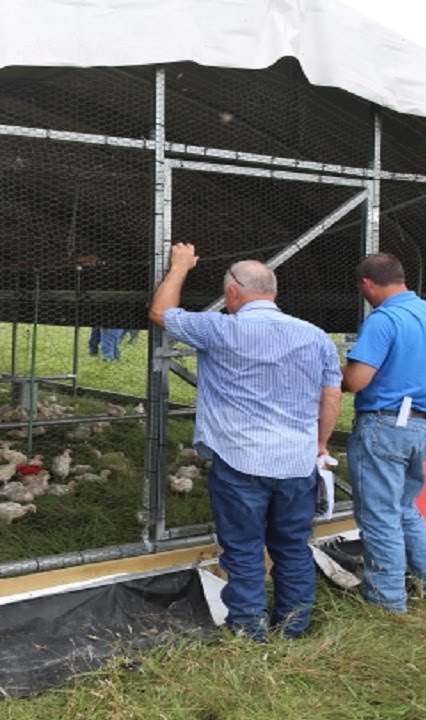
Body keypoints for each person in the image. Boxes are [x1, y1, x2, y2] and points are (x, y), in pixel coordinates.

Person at [150, 245, 341, 641]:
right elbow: (332, 394)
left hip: (241, 463)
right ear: (273, 292)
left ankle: (249, 629)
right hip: (295, 463)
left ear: (233, 294)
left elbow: (160, 313)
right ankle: (293, 626)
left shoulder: (220, 328)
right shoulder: (315, 336)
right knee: (292, 546)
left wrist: (180, 267)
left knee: (243, 549)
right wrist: (320, 444)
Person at [341, 253, 426, 613]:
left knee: (379, 516)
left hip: (385, 425)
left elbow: (357, 381)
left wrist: (336, 371)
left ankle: (387, 602)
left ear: (367, 285)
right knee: (405, 508)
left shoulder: (384, 319)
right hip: (424, 424)